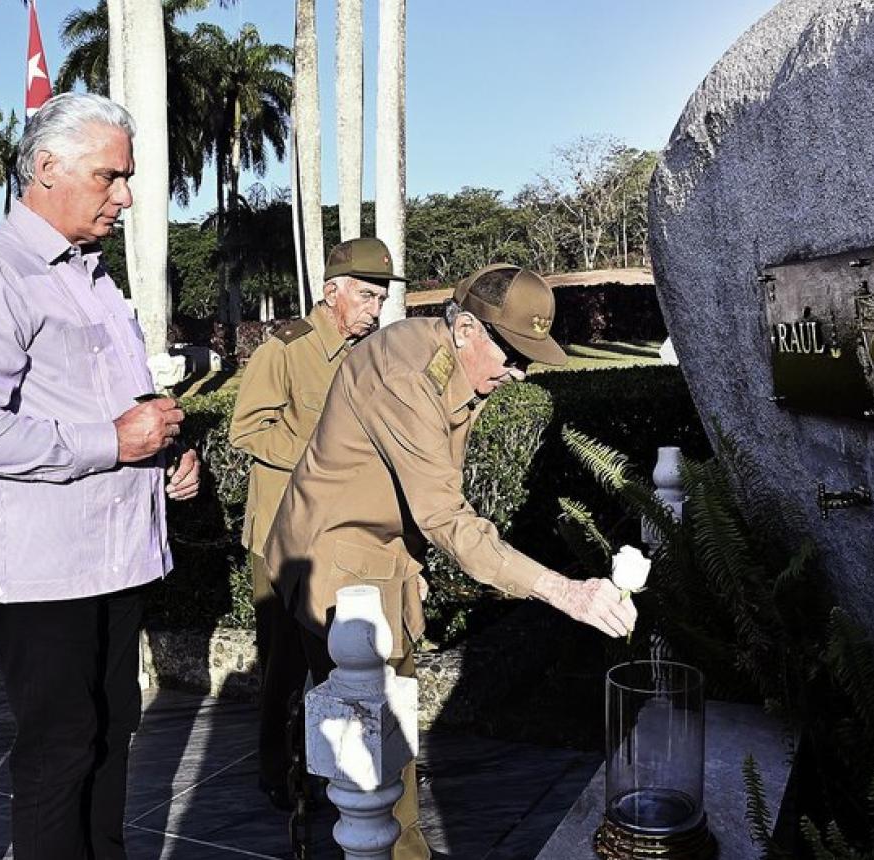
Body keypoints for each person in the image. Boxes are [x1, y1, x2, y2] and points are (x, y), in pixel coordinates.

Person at [264, 263, 638, 860]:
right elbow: (446, 518)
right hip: (339, 566)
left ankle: (401, 845)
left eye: (529, 359)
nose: (519, 372)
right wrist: (564, 591)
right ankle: (392, 851)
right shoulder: (404, 375)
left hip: (382, 560)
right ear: (465, 329)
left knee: (392, 729)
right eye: (512, 354)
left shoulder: (452, 359)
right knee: (372, 738)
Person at [0, 92, 201, 860]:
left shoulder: (93, 277)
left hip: (117, 556)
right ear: (46, 169)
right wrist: (112, 441)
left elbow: (116, 406)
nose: (127, 195)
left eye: (127, 177)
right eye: (111, 176)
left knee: (114, 729)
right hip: (43, 570)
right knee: (59, 750)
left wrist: (163, 445)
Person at [229, 237, 397, 811]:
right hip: (280, 536)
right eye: (368, 296)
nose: (377, 309)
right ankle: (275, 769)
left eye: (380, 297)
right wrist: (322, 448)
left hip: (341, 533)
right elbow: (246, 429)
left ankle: (343, 764)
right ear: (333, 292)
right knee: (283, 661)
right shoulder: (285, 349)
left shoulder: (367, 351)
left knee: (336, 653)